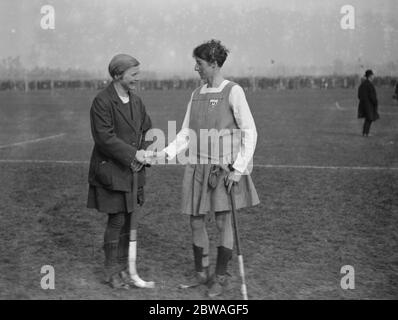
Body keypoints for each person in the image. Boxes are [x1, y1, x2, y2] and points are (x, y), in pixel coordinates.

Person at [152, 40, 260, 298]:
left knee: (223, 221)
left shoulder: (233, 91)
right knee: (195, 221)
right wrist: (164, 154)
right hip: (197, 166)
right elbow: (186, 133)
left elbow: (250, 131)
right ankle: (202, 273)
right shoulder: (196, 93)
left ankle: (220, 277)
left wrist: (238, 169)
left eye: (199, 63)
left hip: (223, 169)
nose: (195, 68)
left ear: (213, 63)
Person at [87, 54, 154, 289]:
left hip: (134, 170)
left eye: (138, 73)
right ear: (118, 75)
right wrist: (132, 155)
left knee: (129, 220)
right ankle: (111, 271)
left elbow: (147, 129)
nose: (138, 78)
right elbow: (104, 138)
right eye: (133, 74)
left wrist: (143, 153)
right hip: (112, 171)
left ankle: (126, 268)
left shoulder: (137, 101)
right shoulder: (102, 101)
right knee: (116, 221)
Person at [357, 69, 379, 137]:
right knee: (369, 119)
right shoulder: (369, 84)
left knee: (368, 119)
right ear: (370, 76)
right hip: (369, 104)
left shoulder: (362, 84)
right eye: (372, 75)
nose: (373, 76)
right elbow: (372, 96)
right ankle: (366, 133)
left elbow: (359, 95)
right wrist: (375, 102)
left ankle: (365, 133)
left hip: (363, 104)